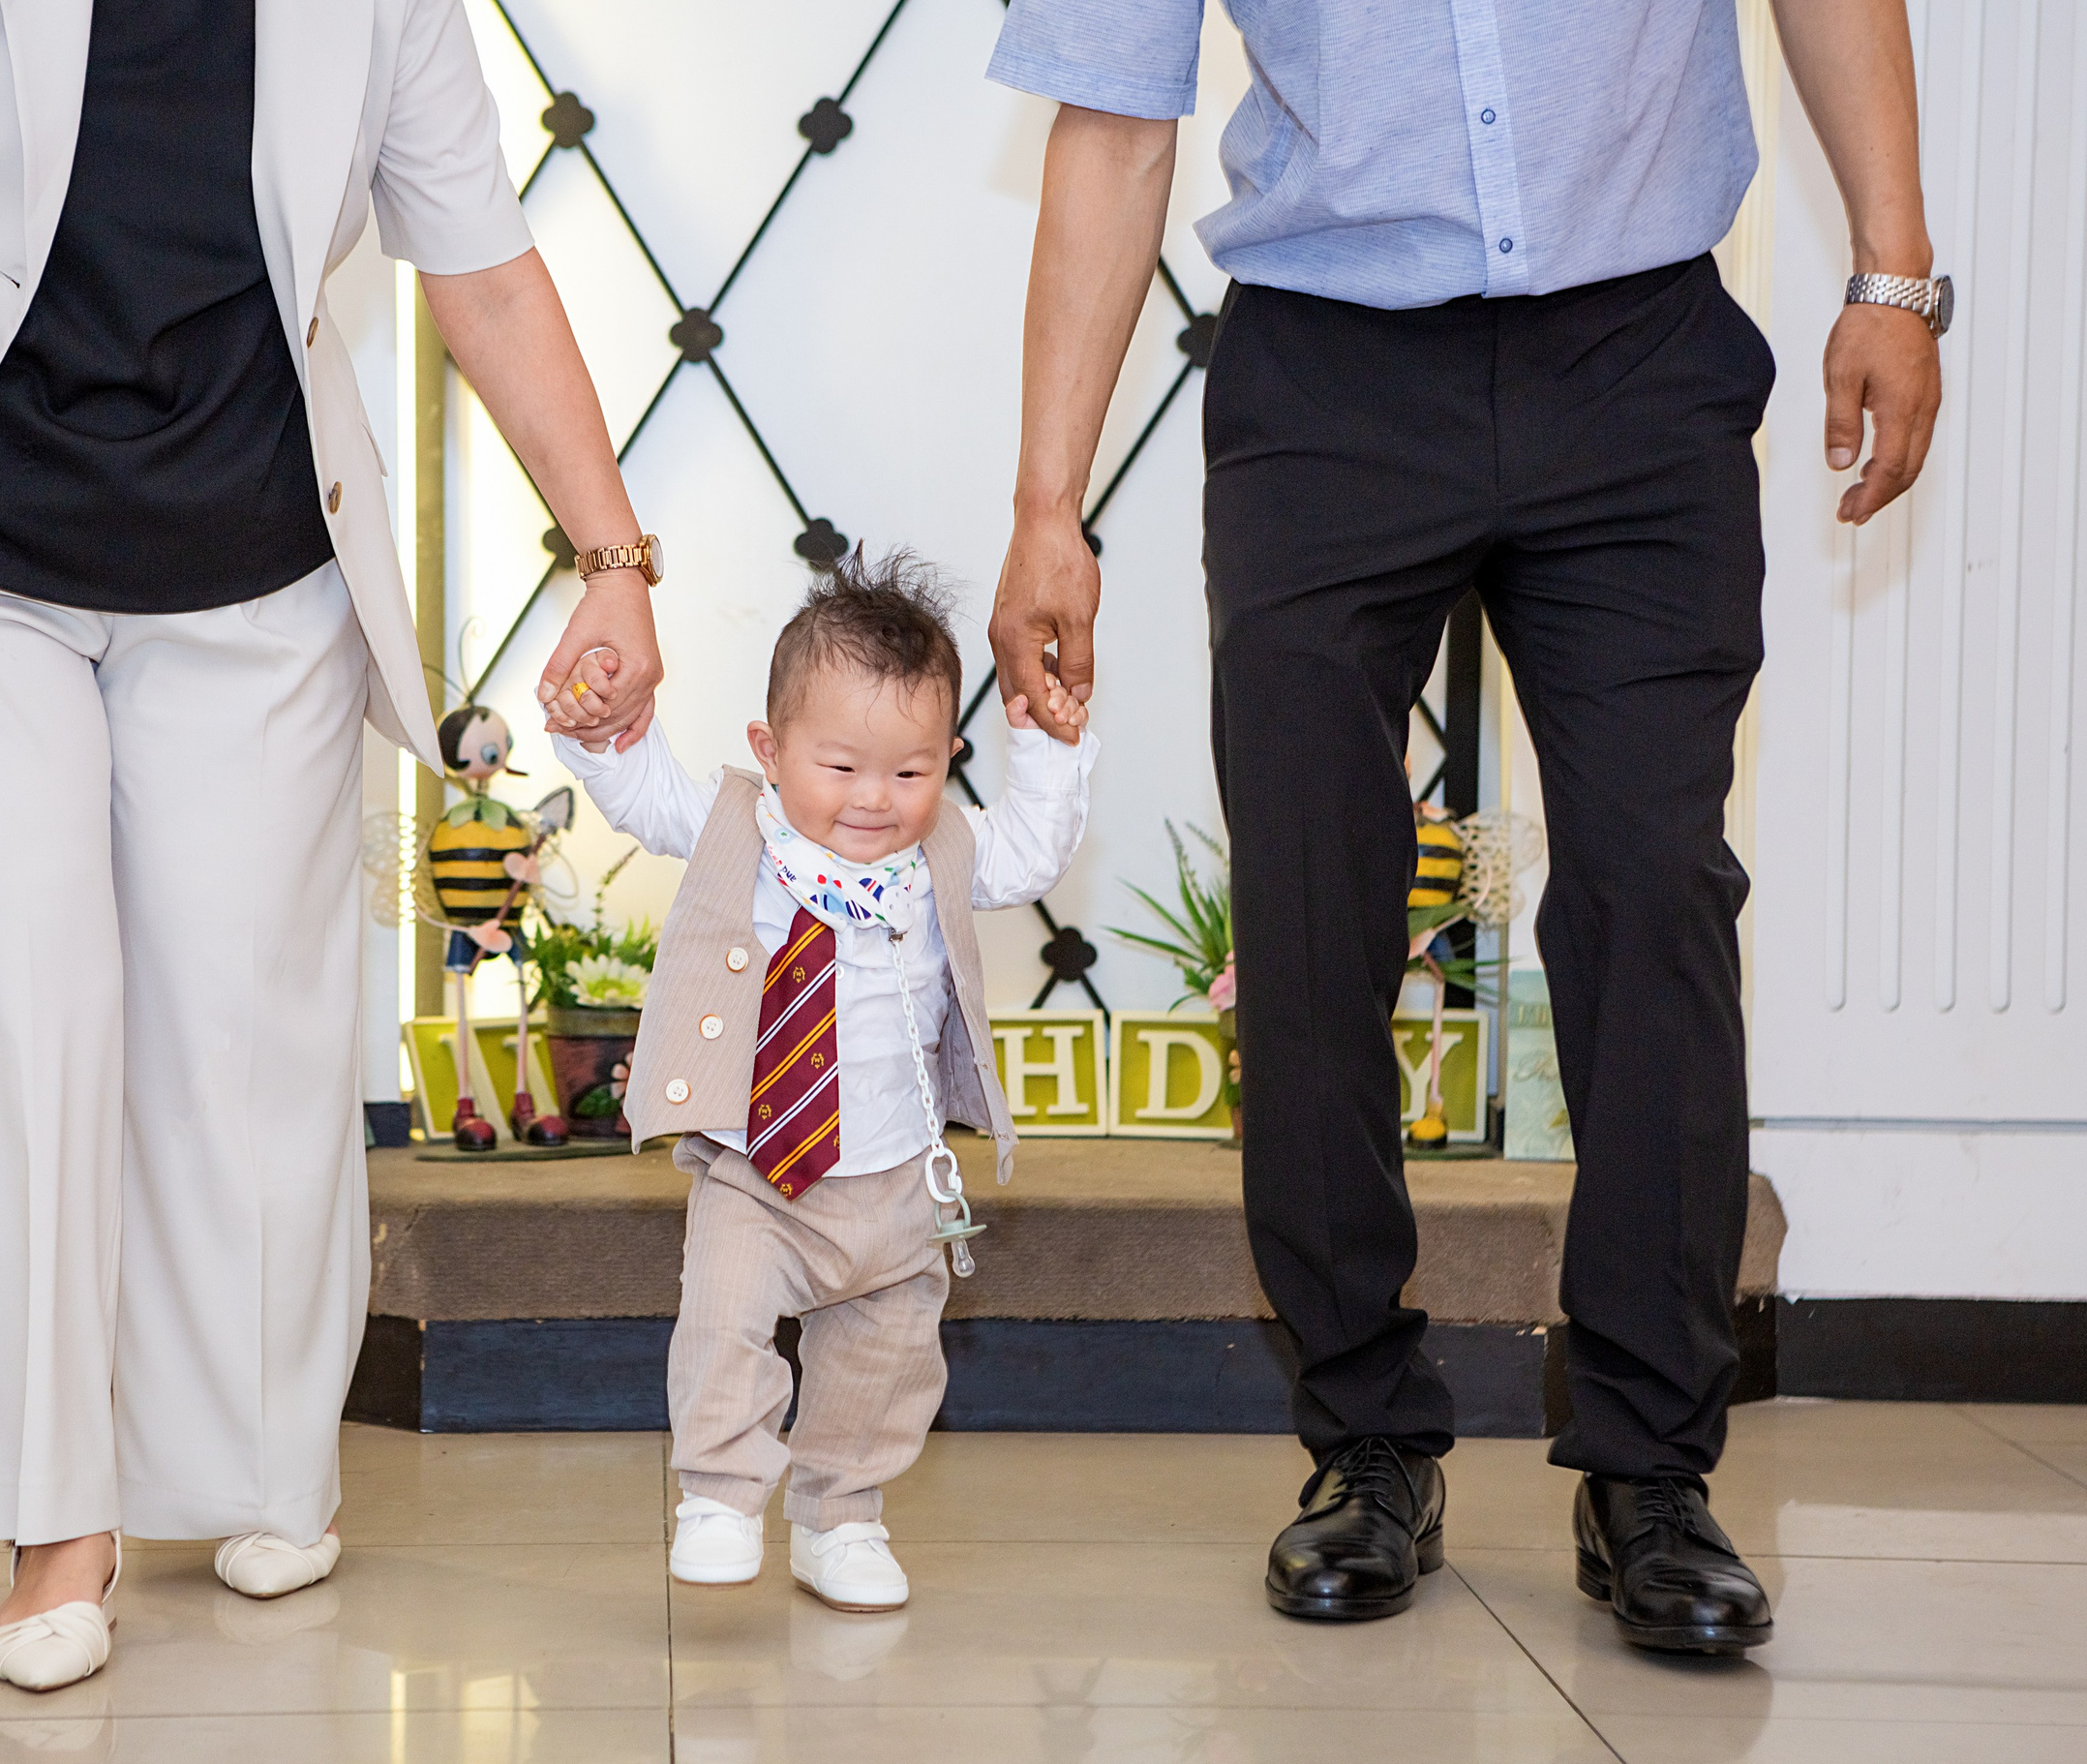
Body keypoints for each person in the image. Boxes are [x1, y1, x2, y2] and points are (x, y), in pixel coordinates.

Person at [0, 0, 661, 1690]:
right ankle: (62, 1522)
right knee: (21, 1000)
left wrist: (614, 556)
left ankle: (252, 1459)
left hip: (254, 565)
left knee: (238, 1031)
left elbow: (479, 264)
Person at [985, 0, 1942, 1653]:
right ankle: (1366, 1436)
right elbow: (1114, 114)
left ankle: (1651, 1466)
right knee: (1308, 909)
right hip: (1327, 376)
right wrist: (1045, 507)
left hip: (1640, 364)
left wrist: (1892, 270)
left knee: (1656, 892)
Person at [554, 553, 1094, 1611]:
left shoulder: (943, 848)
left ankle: (842, 1516)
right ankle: (717, 1492)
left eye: (910, 771)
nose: (873, 801)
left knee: (886, 1359)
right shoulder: (740, 828)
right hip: (758, 1167)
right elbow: (645, 793)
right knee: (721, 1317)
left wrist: (1047, 746)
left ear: (947, 760)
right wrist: (599, 727)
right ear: (771, 748)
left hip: (897, 1173)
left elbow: (1031, 852)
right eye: (840, 768)